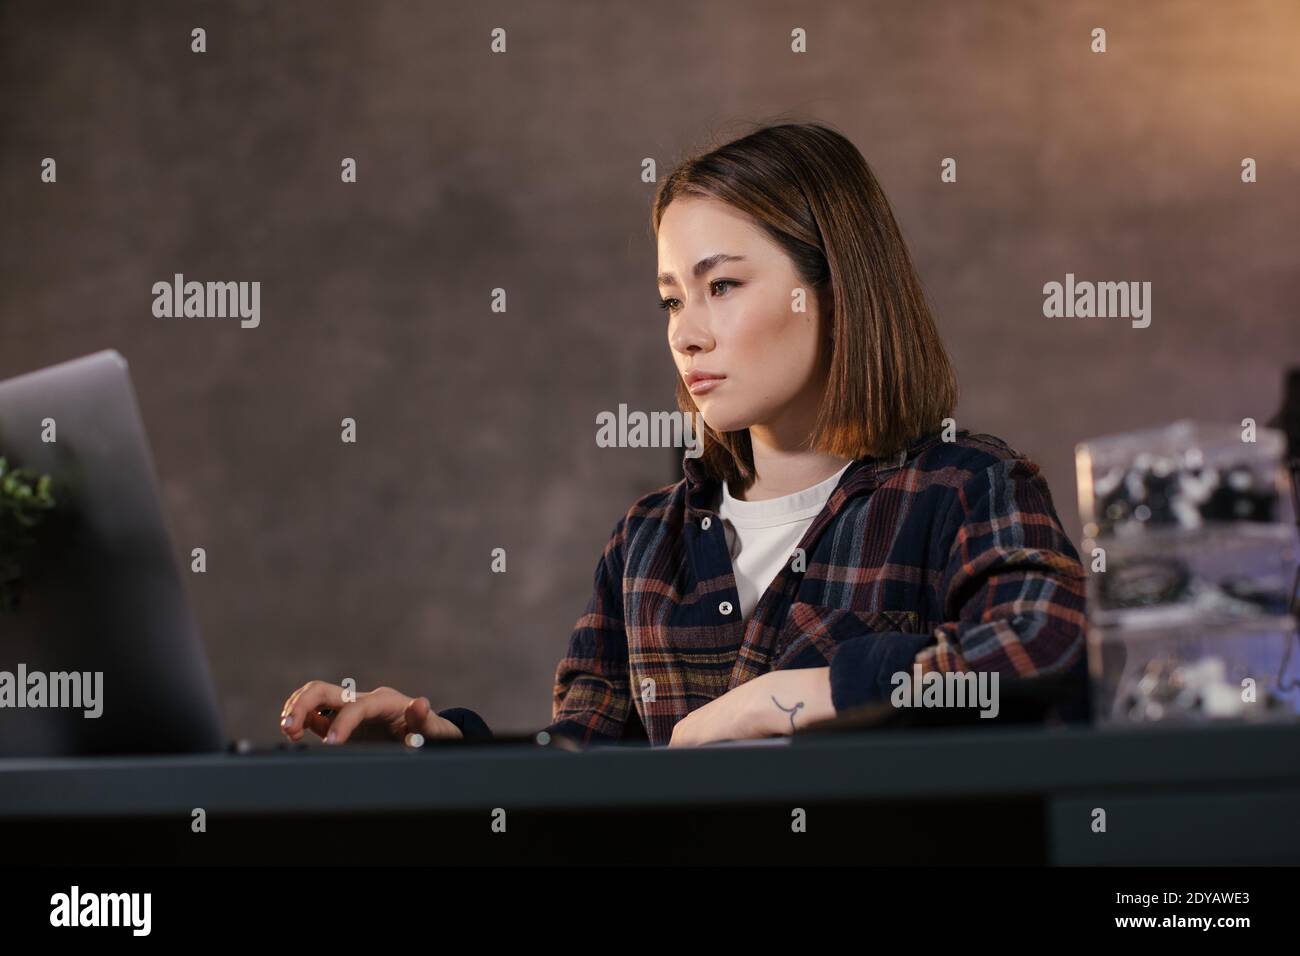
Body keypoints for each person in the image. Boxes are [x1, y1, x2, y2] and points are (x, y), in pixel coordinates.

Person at [278, 121, 1088, 750]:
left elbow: (1049, 654)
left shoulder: (966, 488)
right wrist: (437, 744)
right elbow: (583, 766)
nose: (687, 335)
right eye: (672, 299)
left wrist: (811, 694)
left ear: (834, 291)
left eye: (723, 286)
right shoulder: (645, 540)